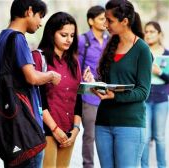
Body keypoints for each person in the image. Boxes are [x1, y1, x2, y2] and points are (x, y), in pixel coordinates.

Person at [0, 0, 62, 167]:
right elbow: (32, 77)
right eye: (40, 16)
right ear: (29, 11)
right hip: (25, 127)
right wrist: (51, 75)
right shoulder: (18, 39)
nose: (40, 23)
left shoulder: (0, 39)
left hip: (8, 123)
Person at [93, 0, 153, 167]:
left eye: (109, 20)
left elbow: (143, 92)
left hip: (130, 125)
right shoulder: (111, 45)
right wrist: (93, 83)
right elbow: (108, 82)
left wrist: (116, 96)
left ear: (125, 21)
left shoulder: (142, 49)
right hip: (103, 122)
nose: (105, 24)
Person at [32, 12, 93, 168]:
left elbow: (77, 96)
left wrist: (76, 129)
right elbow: (38, 99)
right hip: (46, 130)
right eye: (64, 35)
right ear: (52, 33)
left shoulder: (74, 61)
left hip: (68, 130)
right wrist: (55, 129)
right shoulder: (39, 58)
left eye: (72, 35)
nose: (69, 40)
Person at [77, 5, 109, 168]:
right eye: (101, 18)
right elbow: (74, 64)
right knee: (89, 135)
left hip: (108, 95)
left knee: (106, 135)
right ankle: (88, 165)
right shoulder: (83, 40)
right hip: (89, 96)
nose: (105, 22)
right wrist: (83, 75)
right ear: (91, 21)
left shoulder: (111, 40)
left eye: (106, 19)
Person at [141, 21, 169, 168]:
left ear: (159, 34)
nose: (148, 34)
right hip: (144, 100)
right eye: (146, 31)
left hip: (162, 100)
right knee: (145, 138)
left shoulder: (167, 54)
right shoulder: (142, 52)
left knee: (160, 137)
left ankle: (162, 166)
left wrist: (160, 72)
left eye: (152, 31)